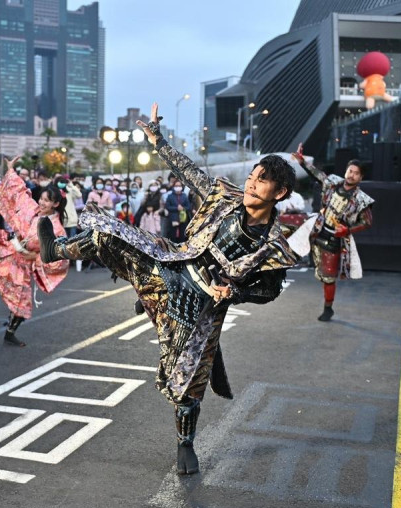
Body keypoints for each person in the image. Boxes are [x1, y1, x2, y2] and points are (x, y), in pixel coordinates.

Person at [38, 102, 298, 475]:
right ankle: (55, 249)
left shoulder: (274, 245)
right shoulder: (225, 197)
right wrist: (157, 139)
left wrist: (236, 294)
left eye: (261, 179)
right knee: (110, 233)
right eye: (252, 175)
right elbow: (188, 171)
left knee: (188, 380)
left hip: (200, 306)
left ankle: (185, 446)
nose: (251, 182)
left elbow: (270, 290)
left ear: (281, 191)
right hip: (173, 263)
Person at [0, 156, 69, 347]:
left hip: (23, 262)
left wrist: (35, 256)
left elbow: (59, 256)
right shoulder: (32, 209)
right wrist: (10, 170)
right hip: (8, 245)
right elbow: (18, 192)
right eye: (41, 199)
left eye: (46, 201)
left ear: (55, 204)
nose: (41, 203)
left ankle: (10, 331)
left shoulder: (57, 229)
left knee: (21, 301)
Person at [291, 143, 374, 321]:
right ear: (346, 171)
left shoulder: (361, 199)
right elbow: (318, 175)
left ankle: (328, 308)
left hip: (334, 240)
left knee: (328, 277)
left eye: (356, 173)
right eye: (350, 171)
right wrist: (302, 162)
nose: (351, 174)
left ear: (361, 177)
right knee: (291, 242)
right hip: (318, 229)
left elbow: (367, 221)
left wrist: (347, 230)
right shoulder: (333, 183)